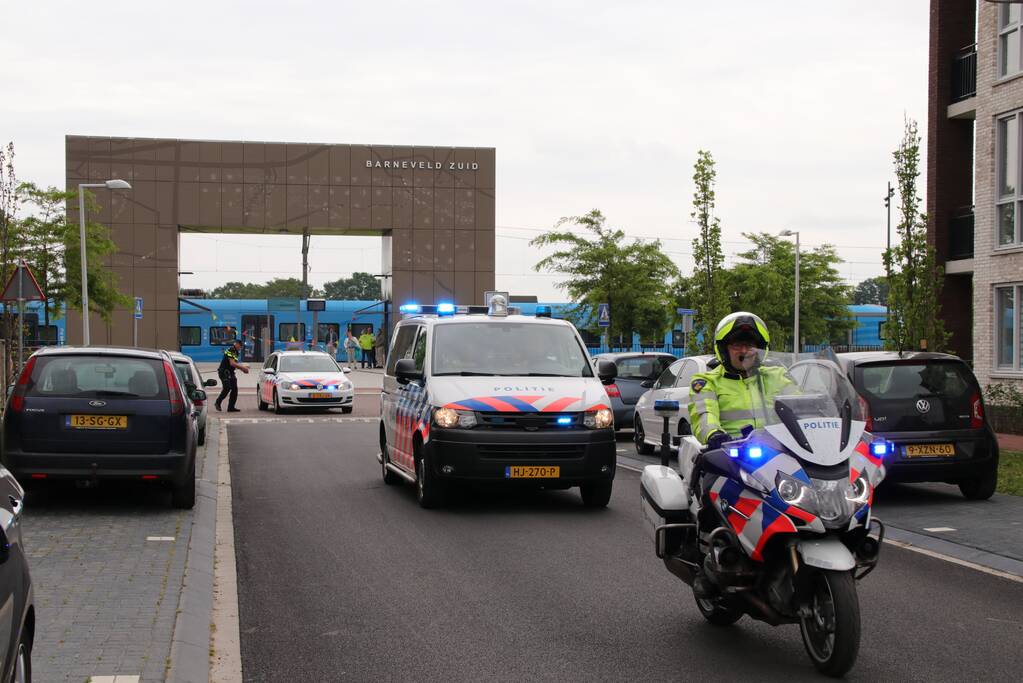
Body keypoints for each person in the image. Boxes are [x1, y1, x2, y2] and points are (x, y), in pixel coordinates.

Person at [688, 312, 793, 451]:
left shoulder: (778, 376)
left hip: (778, 451)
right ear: (724, 349)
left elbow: (801, 408)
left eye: (750, 345)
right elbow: (704, 415)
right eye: (737, 345)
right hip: (729, 454)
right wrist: (714, 434)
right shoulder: (707, 382)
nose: (744, 351)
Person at [215, 339, 250, 412]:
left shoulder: (236, 351)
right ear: (236, 344)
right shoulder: (231, 350)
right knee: (227, 388)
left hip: (230, 372)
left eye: (241, 347)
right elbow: (232, 363)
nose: (240, 348)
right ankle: (218, 402)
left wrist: (243, 368)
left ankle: (231, 407)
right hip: (224, 372)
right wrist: (243, 368)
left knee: (234, 389)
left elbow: (234, 364)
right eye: (240, 346)